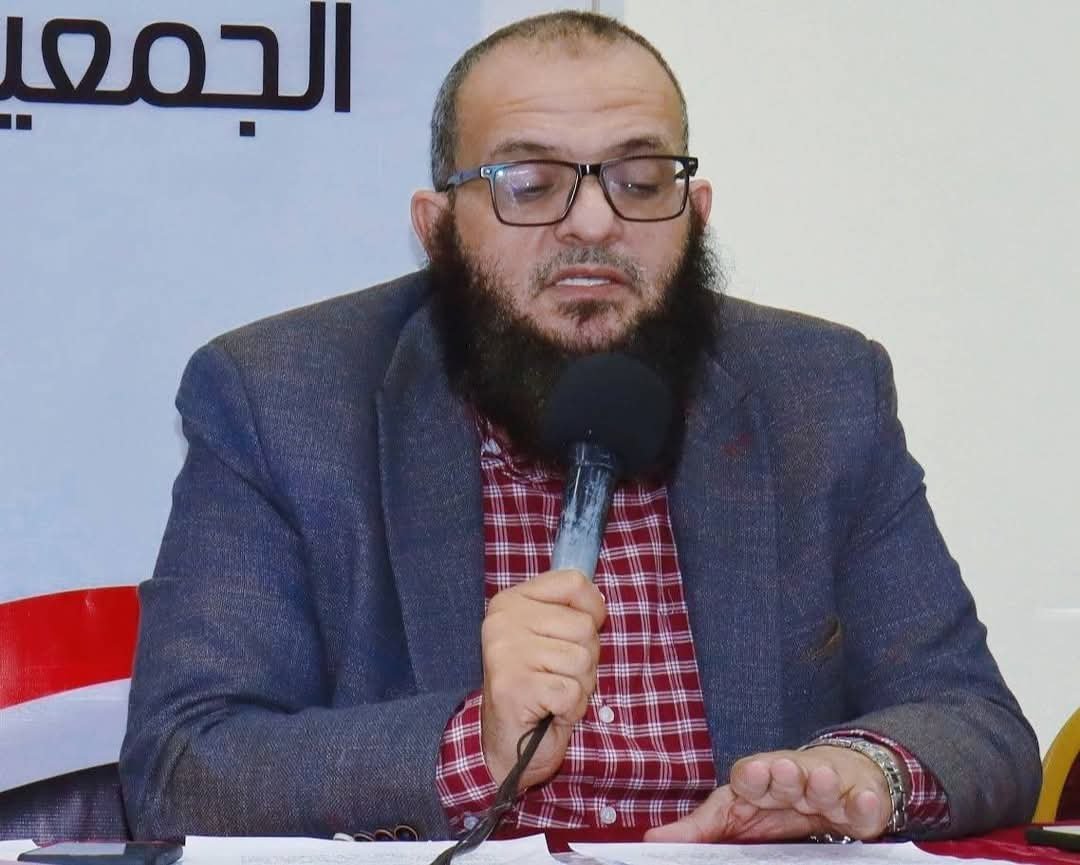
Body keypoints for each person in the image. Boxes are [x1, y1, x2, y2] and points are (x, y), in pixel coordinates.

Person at [119, 11, 1041, 844]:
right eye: (529, 184)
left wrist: (861, 773)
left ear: (696, 215)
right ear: (437, 230)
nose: (594, 221)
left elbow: (976, 719)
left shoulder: (821, 391)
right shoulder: (282, 399)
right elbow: (181, 767)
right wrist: (472, 745)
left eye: (641, 180)